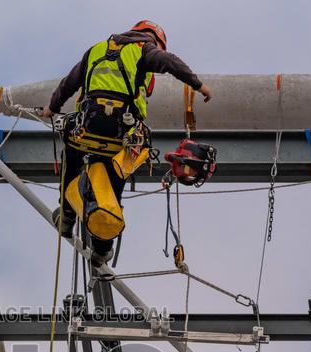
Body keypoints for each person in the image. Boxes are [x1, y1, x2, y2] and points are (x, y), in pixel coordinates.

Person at [41, 20, 212, 263]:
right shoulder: (143, 49)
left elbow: (69, 84)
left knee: (72, 156)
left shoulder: (96, 50)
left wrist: (51, 108)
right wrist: (199, 85)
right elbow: (170, 63)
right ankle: (102, 247)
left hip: (86, 128)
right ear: (154, 40)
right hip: (121, 134)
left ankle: (67, 218)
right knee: (114, 177)